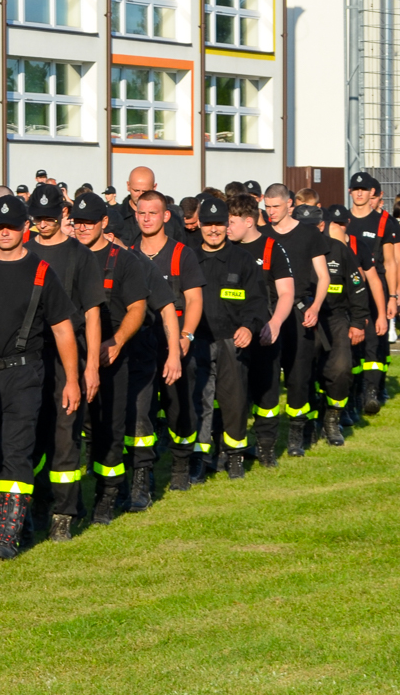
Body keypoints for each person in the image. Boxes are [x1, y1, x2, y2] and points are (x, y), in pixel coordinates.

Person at [0, 195, 79, 559]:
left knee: (17, 451)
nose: (4, 233)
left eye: (11, 227)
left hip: (25, 373)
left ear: (25, 228)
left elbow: (62, 329)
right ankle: (24, 521)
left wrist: (72, 379)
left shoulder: (42, 271)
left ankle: (7, 537)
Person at [70, 194, 161, 523]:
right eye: (77, 223)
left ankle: (109, 494)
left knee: (111, 426)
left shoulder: (124, 261)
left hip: (113, 356)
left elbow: (138, 308)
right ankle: (71, 499)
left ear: (104, 223)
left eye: (89, 223)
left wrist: (117, 341)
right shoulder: (67, 257)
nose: (82, 228)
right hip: (73, 356)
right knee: (78, 430)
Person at [25, 183, 103, 541]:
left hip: (68, 355)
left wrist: (91, 366)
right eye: (37, 218)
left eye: (49, 217)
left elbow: (93, 313)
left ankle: (64, 511)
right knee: (31, 433)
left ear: (63, 214)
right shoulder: (24, 252)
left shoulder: (80, 256)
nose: (43, 224)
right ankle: (38, 502)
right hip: (30, 355)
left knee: (65, 434)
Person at [191, 197, 269, 478]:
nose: (213, 229)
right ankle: (200, 459)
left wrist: (248, 326)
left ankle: (234, 456)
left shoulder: (243, 259)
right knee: (199, 400)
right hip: (198, 340)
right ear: (199, 225)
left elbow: (258, 301)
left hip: (232, 342)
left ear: (227, 224)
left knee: (234, 401)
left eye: (218, 224)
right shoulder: (188, 257)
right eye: (207, 224)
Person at [132, 191, 202, 495]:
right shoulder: (128, 254)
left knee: (179, 406)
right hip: (141, 343)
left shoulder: (182, 254)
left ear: (165, 216)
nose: (147, 218)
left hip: (177, 342)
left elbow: (194, 299)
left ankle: (181, 464)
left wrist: (186, 336)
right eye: (142, 213)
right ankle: (143, 473)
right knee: (140, 409)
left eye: (153, 213)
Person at [224, 195, 295, 466]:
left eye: (231, 222)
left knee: (267, 393)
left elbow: (286, 292)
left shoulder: (271, 248)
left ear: (249, 221)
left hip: (265, 334)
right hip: (232, 336)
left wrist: (275, 323)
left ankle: (266, 446)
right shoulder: (224, 250)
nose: (226, 228)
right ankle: (230, 449)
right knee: (233, 395)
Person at [261, 183, 330, 456]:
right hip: (268, 312)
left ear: (290, 204)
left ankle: (296, 435)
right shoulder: (262, 235)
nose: (270, 212)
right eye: (267, 207)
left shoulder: (309, 234)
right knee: (266, 374)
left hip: (300, 311)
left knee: (298, 377)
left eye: (275, 206)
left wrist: (315, 306)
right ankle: (265, 437)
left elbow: (323, 276)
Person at [344, 172, 400, 414]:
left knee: (374, 340)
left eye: (364, 190)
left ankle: (371, 391)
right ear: (350, 192)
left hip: (376, 288)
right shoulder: (343, 220)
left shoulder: (383, 222)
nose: (359, 193)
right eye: (355, 189)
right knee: (350, 342)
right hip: (348, 290)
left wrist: (393, 297)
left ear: (372, 193)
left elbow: (390, 262)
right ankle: (354, 393)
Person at [319, 205, 373, 443]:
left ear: (322, 226)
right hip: (303, 319)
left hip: (336, 317)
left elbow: (357, 287)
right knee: (303, 374)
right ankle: (306, 426)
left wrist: (359, 322)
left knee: (341, 369)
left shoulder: (339, 250)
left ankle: (333, 419)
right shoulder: (293, 250)